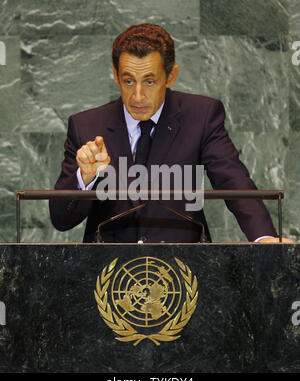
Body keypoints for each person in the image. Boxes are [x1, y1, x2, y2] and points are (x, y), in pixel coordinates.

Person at [49, 23, 292, 244]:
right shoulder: (87, 125)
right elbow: (61, 220)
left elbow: (233, 179)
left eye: (150, 82)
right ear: (115, 76)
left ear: (171, 76)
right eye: (129, 81)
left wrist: (264, 240)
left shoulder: (201, 116)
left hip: (185, 269)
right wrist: (85, 177)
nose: (138, 96)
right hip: (109, 276)